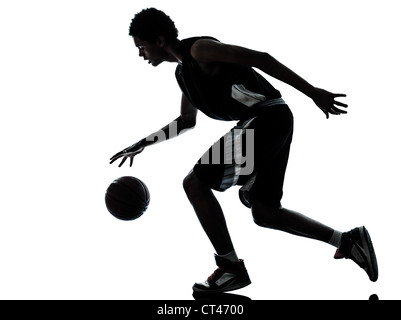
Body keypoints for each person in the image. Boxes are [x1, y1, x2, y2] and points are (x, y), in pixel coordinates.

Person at [110, 8, 378, 294]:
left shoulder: (200, 50)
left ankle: (230, 267)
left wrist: (313, 92)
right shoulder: (183, 74)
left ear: (160, 40)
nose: (141, 54)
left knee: (195, 183)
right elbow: (186, 121)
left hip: (266, 119)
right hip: (272, 122)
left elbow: (260, 59)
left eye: (142, 46)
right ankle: (347, 241)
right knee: (264, 212)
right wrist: (145, 142)